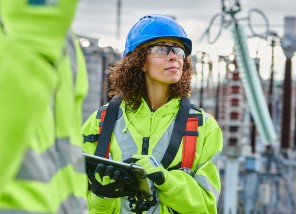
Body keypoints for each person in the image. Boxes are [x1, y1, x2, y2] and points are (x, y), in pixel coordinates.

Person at [82, 14, 223, 213]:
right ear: (139, 61)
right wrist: (101, 194)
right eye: (162, 49)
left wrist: (166, 180)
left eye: (178, 50)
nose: (173, 56)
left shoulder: (203, 126)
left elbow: (207, 207)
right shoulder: (100, 122)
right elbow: (75, 204)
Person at [0, 0, 89, 213]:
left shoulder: (61, 35)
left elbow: (67, 162)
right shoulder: (38, 29)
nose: (173, 57)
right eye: (161, 48)